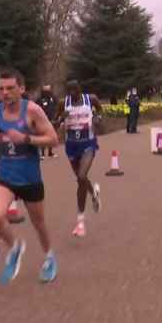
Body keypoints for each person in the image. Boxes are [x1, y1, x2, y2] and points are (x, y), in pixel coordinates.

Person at [0, 68, 60, 283]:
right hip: (5, 174)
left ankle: (49, 257)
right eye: (1, 89)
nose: (5, 93)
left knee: (39, 223)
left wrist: (26, 139)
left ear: (21, 88)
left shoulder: (33, 111)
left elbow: (53, 139)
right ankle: (15, 247)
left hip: (29, 176)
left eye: (10, 88)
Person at [56, 80, 102, 237]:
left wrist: (97, 118)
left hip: (88, 144)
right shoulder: (63, 102)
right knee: (81, 179)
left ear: (80, 89)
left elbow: (100, 112)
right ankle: (94, 194)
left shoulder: (91, 99)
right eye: (69, 91)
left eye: (75, 90)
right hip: (71, 145)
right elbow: (55, 122)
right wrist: (61, 117)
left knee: (82, 176)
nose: (73, 94)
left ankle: (80, 221)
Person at [36, 84, 58, 158]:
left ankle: (50, 152)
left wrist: (55, 117)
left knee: (51, 136)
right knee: (43, 136)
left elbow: (56, 106)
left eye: (48, 90)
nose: (47, 92)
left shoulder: (53, 98)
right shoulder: (39, 99)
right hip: (43, 120)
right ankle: (42, 153)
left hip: (52, 120)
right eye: (45, 91)